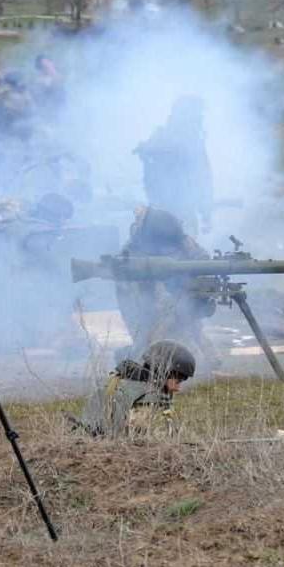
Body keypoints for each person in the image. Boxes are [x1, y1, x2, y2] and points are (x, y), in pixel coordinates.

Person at [115, 207, 217, 368]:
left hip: (179, 293)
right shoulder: (134, 249)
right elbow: (130, 287)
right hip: (146, 298)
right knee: (151, 337)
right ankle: (142, 362)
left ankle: (209, 361)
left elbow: (202, 259)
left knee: (190, 322)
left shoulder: (181, 240)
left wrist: (197, 290)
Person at [74, 340, 196, 437]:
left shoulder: (122, 381)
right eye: (177, 381)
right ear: (163, 372)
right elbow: (147, 438)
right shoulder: (148, 396)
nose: (178, 388)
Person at [134, 96, 213, 234]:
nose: (199, 118)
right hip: (165, 210)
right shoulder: (165, 137)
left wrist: (206, 213)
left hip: (177, 211)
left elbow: (203, 177)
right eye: (196, 114)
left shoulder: (190, 140)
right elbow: (203, 177)